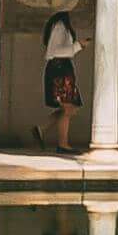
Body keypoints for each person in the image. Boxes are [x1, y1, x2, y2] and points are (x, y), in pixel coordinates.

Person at [36, 8, 83, 153]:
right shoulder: (60, 26)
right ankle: (63, 144)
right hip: (59, 68)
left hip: (62, 68)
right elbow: (54, 51)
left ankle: (41, 129)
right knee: (69, 107)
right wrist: (78, 46)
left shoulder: (62, 25)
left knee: (69, 107)